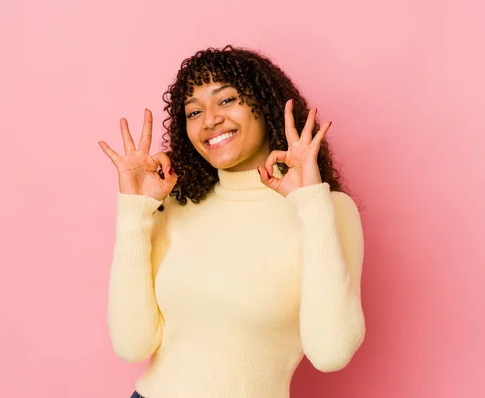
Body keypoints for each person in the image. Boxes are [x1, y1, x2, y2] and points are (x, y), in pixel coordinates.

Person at [98, 45, 365, 398]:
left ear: (264, 105)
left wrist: (311, 204)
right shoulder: (177, 205)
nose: (209, 120)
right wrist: (135, 209)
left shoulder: (326, 209)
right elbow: (132, 345)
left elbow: (331, 352)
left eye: (226, 100)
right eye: (194, 111)